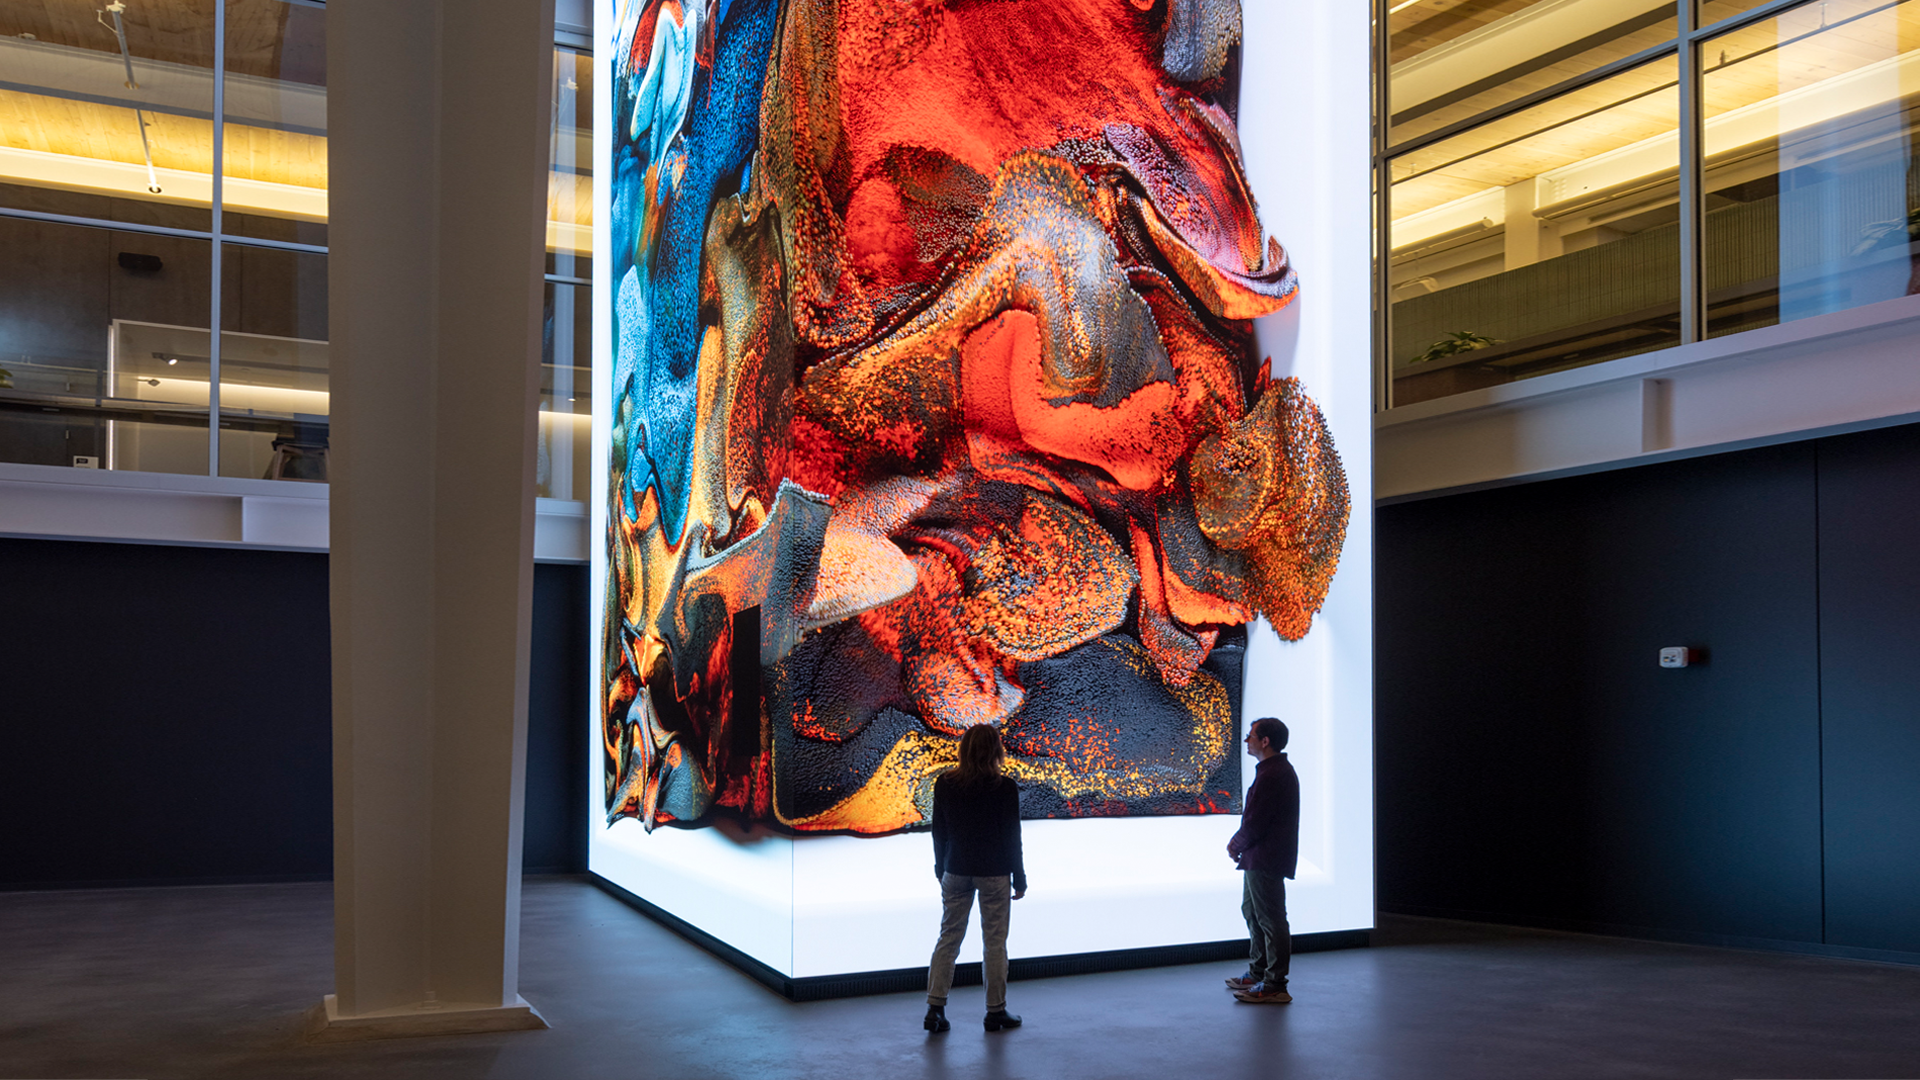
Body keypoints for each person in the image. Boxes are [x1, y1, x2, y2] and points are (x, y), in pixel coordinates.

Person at [923, 723, 1027, 1033]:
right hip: (995, 872)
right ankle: (996, 1012)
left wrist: (940, 866)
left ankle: (935, 1010)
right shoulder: (1005, 787)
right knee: (994, 943)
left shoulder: (945, 784)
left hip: (955, 869)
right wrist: (1019, 877)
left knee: (948, 938)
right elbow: (1012, 837)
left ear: (964, 749)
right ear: (996, 750)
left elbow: (939, 831)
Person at [1225, 716, 1299, 1004]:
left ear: (1265, 741)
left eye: (1251, 736)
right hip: (1259, 856)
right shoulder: (1272, 771)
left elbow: (1256, 822)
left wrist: (1235, 844)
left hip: (1265, 857)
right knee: (1253, 912)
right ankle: (1258, 973)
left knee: (1270, 919)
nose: (1247, 741)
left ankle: (1275, 984)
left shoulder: (1273, 774)